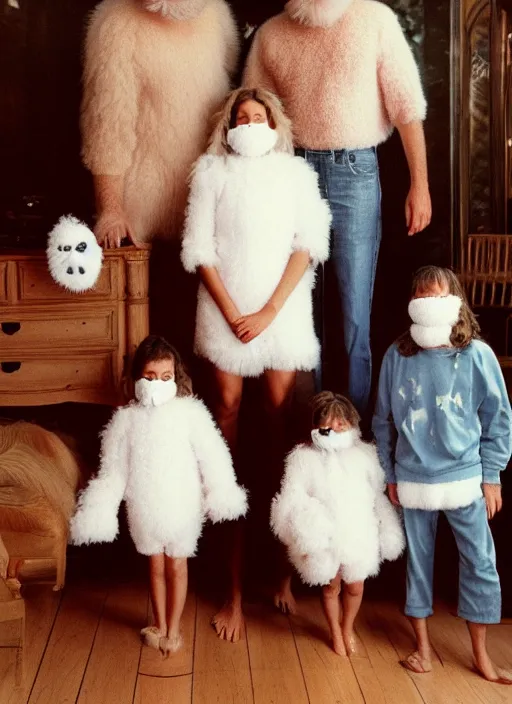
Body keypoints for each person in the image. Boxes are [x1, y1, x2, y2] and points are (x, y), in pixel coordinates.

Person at [181, 86, 331, 641]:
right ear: (229, 125)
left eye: (258, 116)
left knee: (278, 438)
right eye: (240, 117)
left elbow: (309, 243)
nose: (249, 124)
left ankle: (282, 574)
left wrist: (268, 310)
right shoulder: (210, 172)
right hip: (225, 313)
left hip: (282, 314)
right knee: (226, 433)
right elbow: (198, 250)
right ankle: (229, 588)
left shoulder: (296, 176)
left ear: (274, 125)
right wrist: (233, 312)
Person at [243, 0, 432, 417]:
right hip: (291, 173)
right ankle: (305, 432)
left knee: (353, 313)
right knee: (296, 309)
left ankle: (353, 431)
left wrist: (420, 184)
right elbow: (255, 116)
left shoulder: (375, 20)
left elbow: (407, 108)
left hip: (355, 170)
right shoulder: (272, 35)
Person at [373, 266, 512, 684]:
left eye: (439, 296)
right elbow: (382, 421)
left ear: (454, 301)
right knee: (418, 565)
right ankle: (423, 650)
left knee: (481, 563)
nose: (430, 302)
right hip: (413, 479)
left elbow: (498, 418)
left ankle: (482, 656)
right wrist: (389, 474)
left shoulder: (477, 355)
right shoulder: (397, 356)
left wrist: (492, 476)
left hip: (465, 476)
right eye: (422, 295)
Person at [69, 335, 248, 655]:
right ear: (137, 377)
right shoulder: (125, 419)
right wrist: (99, 510)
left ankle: (174, 629)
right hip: (144, 503)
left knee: (177, 565)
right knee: (155, 566)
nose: (157, 385)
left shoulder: (190, 413)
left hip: (182, 502)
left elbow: (213, 454)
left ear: (176, 376)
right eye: (150, 377)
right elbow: (113, 469)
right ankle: (162, 625)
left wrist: (222, 491)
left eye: (165, 378)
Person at [81, 0, 239, 248]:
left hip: (208, 204)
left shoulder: (216, 13)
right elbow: (107, 128)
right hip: (141, 218)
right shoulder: (117, 21)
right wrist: (111, 210)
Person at [271, 391, 404, 655]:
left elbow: (378, 495)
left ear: (351, 423)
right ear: (316, 425)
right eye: (328, 424)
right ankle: (334, 631)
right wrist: (303, 532)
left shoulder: (365, 455)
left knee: (355, 586)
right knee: (330, 586)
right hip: (325, 535)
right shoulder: (303, 458)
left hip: (358, 532)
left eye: (341, 423)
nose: (335, 428)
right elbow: (291, 498)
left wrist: (388, 530)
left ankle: (347, 626)